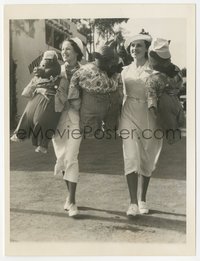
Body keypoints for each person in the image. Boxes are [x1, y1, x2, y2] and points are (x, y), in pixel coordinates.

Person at [119, 33, 163, 217]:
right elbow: (120, 95)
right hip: (128, 112)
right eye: (132, 46)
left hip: (148, 115)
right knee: (130, 157)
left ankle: (143, 198)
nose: (134, 49)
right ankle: (133, 203)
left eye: (138, 46)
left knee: (147, 158)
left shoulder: (155, 70)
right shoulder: (124, 70)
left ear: (146, 49)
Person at [10, 50, 67, 153]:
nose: (46, 63)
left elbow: (63, 97)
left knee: (43, 121)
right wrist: (38, 88)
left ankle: (43, 144)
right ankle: (20, 134)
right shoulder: (37, 79)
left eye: (49, 60)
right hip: (36, 99)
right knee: (27, 116)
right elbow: (26, 93)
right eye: (45, 61)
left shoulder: (61, 79)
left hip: (51, 101)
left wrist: (53, 90)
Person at [52, 37, 84, 217]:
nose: (64, 52)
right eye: (63, 49)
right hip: (57, 120)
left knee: (71, 157)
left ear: (77, 52)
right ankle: (69, 195)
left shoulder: (85, 71)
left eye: (68, 49)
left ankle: (72, 201)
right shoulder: (57, 70)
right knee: (63, 157)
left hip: (76, 119)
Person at [68, 44, 123, 139]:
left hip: (111, 108)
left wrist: (119, 99)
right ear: (97, 59)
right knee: (91, 137)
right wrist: (75, 101)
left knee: (109, 136)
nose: (108, 64)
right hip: (91, 108)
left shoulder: (115, 70)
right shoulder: (84, 70)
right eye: (104, 61)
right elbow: (73, 84)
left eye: (109, 61)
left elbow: (120, 86)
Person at [146, 38, 185, 144]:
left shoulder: (155, 76)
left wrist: (152, 106)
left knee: (169, 129)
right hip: (172, 102)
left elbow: (151, 94)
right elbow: (179, 84)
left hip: (165, 103)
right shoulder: (175, 70)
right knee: (172, 128)